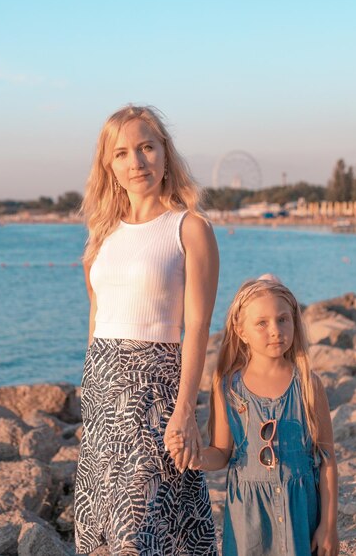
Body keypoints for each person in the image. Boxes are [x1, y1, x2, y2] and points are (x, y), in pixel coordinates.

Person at [74, 104, 219, 556]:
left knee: (141, 530)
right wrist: (88, 396)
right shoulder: (101, 235)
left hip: (155, 391)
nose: (136, 162)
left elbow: (197, 325)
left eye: (146, 147)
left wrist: (185, 410)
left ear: (164, 153)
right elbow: (97, 319)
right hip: (101, 392)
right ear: (108, 165)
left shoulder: (189, 229)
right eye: (121, 153)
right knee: (102, 530)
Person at [168, 278, 339, 556]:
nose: (275, 331)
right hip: (248, 515)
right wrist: (197, 457)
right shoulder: (228, 387)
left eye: (283, 319)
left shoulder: (308, 384)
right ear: (241, 331)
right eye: (262, 323)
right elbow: (221, 453)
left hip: (301, 511)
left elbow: (327, 460)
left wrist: (328, 527)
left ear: (295, 322)